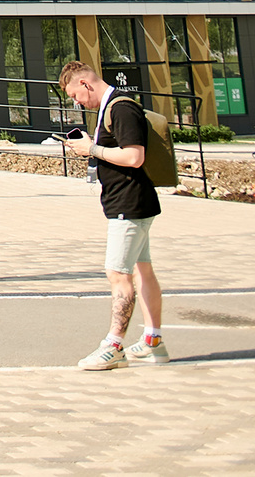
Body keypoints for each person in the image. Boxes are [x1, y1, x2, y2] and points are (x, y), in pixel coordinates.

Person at [62, 60, 169, 369]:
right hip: (132, 203)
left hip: (129, 204)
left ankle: (114, 345)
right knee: (141, 270)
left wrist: (92, 149)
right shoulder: (112, 107)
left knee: (117, 274)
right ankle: (152, 341)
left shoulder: (120, 108)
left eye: (76, 95)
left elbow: (135, 157)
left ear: (85, 84)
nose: (77, 102)